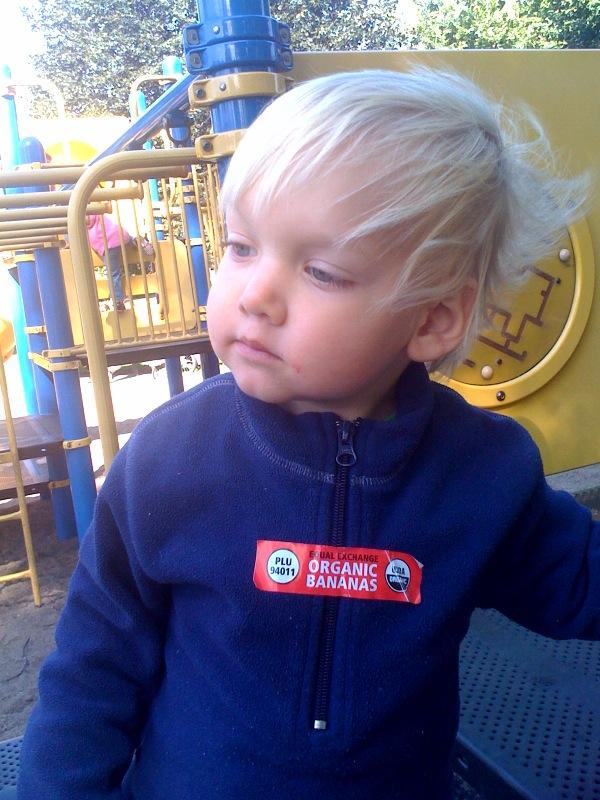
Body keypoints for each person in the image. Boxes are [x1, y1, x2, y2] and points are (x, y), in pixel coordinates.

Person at [17, 69, 599, 799]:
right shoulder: (168, 462)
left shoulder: (483, 474)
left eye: (320, 271)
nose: (256, 294)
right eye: (241, 247)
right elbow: (92, 669)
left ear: (432, 319)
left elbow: (577, 582)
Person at [86, 214, 132, 312]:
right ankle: (136, 241)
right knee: (128, 238)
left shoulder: (86, 223)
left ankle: (118, 300)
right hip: (119, 236)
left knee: (113, 273)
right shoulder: (98, 215)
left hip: (109, 247)